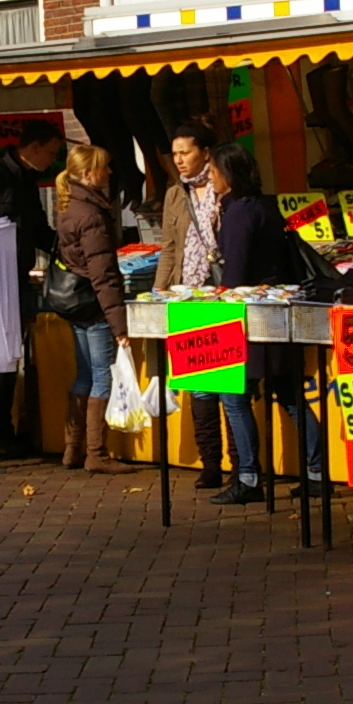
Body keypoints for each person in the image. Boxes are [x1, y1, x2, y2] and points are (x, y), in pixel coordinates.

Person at [202, 143, 325, 504]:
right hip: (277, 314)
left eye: (213, 170)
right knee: (289, 395)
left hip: (252, 319)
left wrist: (216, 296)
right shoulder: (265, 207)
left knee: (234, 395)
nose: (210, 177)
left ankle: (250, 476)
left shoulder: (241, 214)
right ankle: (316, 470)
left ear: (229, 173)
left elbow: (236, 272)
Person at [0, 121, 67, 460]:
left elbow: (38, 230)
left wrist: (70, 248)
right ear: (33, 147)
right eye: (50, 152)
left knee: (9, 358)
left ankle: (3, 429)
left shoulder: (28, 180)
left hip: (14, 278)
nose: (52, 160)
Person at [150, 120, 227, 490]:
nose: (178, 160)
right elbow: (168, 247)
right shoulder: (174, 194)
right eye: (175, 153)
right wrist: (159, 291)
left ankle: (243, 463)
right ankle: (210, 460)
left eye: (185, 152)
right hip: (187, 294)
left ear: (206, 153)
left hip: (223, 293)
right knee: (198, 385)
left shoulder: (224, 187)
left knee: (229, 385)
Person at [50, 142, 132, 474]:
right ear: (88, 174)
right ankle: (96, 452)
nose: (110, 172)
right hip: (94, 305)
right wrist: (119, 326)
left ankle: (73, 449)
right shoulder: (92, 215)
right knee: (102, 376)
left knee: (84, 373)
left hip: (74, 304)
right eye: (104, 167)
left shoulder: (68, 206)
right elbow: (104, 274)